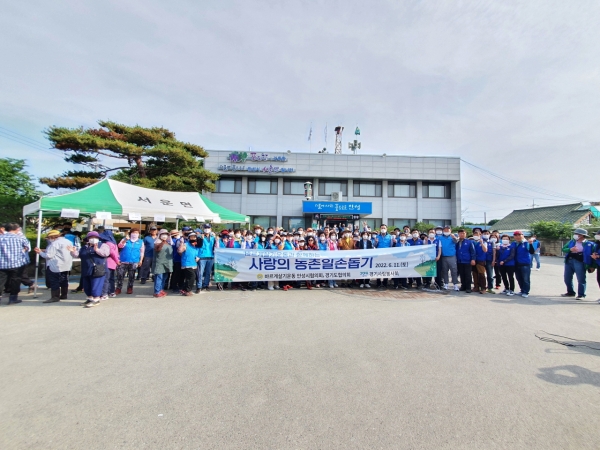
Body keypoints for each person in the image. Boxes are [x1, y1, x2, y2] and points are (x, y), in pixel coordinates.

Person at [68, 231, 110, 308]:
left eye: (95, 237)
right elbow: (77, 255)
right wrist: (72, 251)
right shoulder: (84, 247)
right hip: (86, 269)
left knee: (96, 285)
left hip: (98, 269)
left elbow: (106, 254)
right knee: (87, 285)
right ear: (88, 239)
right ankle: (90, 298)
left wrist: (97, 250)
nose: (93, 239)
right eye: (91, 237)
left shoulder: (103, 245)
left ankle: (96, 299)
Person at [34, 229, 73, 303]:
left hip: (55, 265)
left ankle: (55, 297)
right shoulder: (68, 241)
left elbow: (49, 255)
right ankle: (64, 294)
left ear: (53, 237)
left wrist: (40, 252)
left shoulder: (54, 244)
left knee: (54, 281)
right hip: (66, 264)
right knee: (64, 279)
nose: (49, 239)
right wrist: (44, 250)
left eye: (49, 238)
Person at [0, 223, 30, 304]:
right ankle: (13, 298)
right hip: (16, 263)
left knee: (1, 281)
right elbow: (27, 247)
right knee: (15, 280)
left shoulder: (1, 237)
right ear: (16, 229)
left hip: (2, 263)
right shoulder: (20, 238)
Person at [561, 228, 594, 300]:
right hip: (569, 261)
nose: (575, 235)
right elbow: (563, 249)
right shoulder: (571, 242)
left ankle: (581, 294)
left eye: (576, 234)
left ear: (581, 235)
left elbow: (592, 254)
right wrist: (570, 249)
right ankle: (570, 292)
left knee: (581, 278)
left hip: (580, 261)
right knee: (567, 278)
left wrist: (592, 266)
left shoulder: (589, 244)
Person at [116, 229, 144, 295]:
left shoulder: (140, 242)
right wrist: (125, 240)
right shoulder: (125, 240)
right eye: (133, 232)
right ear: (130, 233)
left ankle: (130, 288)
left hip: (134, 261)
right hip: (123, 260)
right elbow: (119, 246)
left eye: (137, 233)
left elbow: (142, 252)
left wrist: (141, 260)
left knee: (131, 276)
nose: (135, 234)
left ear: (139, 234)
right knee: (120, 275)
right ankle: (118, 288)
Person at [513, 230, 535, 298]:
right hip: (516, 263)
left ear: (522, 235)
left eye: (519, 235)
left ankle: (526, 292)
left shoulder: (526, 243)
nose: (517, 237)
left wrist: (530, 244)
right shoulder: (514, 243)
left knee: (526, 279)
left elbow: (532, 252)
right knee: (519, 278)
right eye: (516, 235)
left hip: (525, 264)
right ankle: (522, 290)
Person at [152, 229, 173, 298]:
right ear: (160, 235)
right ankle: (157, 292)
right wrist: (162, 242)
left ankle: (161, 289)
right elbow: (157, 249)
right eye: (163, 234)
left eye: (166, 234)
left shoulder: (168, 243)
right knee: (159, 277)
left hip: (167, 263)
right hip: (159, 263)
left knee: (165, 277)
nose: (165, 236)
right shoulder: (157, 242)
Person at [99, 230, 119, 300]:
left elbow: (112, 253)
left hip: (107, 263)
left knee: (106, 279)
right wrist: (117, 261)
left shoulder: (107, 243)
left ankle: (105, 293)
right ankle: (112, 292)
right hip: (113, 264)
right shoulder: (113, 242)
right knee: (111, 278)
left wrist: (117, 261)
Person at [196, 224, 216, 293]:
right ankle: (199, 286)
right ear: (203, 229)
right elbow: (198, 245)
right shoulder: (199, 237)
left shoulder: (213, 238)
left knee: (208, 272)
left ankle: (206, 285)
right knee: (200, 273)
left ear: (210, 229)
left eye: (208, 228)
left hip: (210, 256)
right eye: (205, 228)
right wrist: (201, 238)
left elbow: (215, 246)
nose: (207, 229)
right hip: (202, 256)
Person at [178, 232, 200, 296]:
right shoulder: (186, 244)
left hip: (194, 263)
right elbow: (180, 251)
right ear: (189, 238)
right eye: (191, 237)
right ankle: (187, 290)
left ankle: (184, 289)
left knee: (189, 278)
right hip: (187, 263)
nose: (193, 238)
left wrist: (198, 257)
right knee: (192, 276)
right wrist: (181, 244)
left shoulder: (196, 245)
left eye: (194, 237)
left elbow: (198, 253)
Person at [439, 226, 460, 291]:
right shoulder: (440, 237)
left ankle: (455, 284)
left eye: (448, 230)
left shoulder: (453, 236)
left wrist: (454, 237)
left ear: (450, 231)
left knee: (454, 271)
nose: (446, 231)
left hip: (452, 256)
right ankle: (446, 284)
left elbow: (456, 241)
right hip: (443, 257)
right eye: (445, 230)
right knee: (445, 271)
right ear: (443, 231)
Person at [471, 228, 488, 294]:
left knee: (481, 274)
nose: (476, 236)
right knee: (474, 274)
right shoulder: (472, 242)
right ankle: (476, 287)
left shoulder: (484, 242)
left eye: (477, 235)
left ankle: (483, 288)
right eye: (475, 234)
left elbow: (485, 250)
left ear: (480, 235)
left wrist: (482, 243)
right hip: (473, 260)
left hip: (481, 260)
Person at [482, 229, 496, 294]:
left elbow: (494, 252)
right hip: (481, 260)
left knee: (490, 275)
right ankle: (482, 287)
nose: (486, 235)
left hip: (489, 260)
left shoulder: (491, 242)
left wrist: (493, 260)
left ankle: (490, 287)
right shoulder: (480, 242)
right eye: (484, 234)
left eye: (487, 234)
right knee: (481, 275)